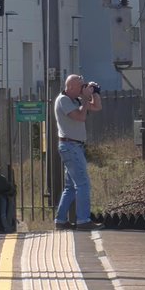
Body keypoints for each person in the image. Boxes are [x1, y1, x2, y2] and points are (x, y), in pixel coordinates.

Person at [53, 74, 103, 230]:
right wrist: (86, 99)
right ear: (71, 87)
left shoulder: (76, 100)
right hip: (70, 146)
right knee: (83, 184)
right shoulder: (63, 101)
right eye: (81, 86)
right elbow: (81, 117)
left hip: (74, 147)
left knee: (70, 187)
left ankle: (60, 221)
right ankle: (83, 221)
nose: (83, 88)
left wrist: (94, 93)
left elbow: (97, 107)